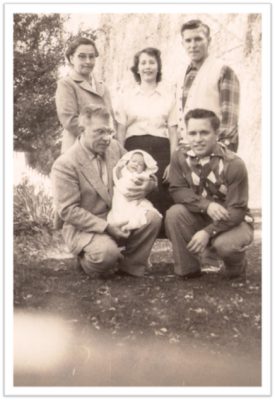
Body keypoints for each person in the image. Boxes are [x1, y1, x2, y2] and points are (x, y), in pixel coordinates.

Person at [51, 105, 162, 278]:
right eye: (100, 132)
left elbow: (143, 167)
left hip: (118, 216)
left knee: (152, 218)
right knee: (105, 256)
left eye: (110, 132)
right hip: (87, 227)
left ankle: (130, 265)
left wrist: (150, 184)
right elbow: (68, 211)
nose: (107, 138)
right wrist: (107, 228)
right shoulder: (65, 164)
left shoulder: (115, 148)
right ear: (82, 130)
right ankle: (88, 259)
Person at [165, 108, 253, 280]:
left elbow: (237, 211)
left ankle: (237, 265)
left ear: (216, 133)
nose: (197, 140)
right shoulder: (179, 157)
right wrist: (207, 205)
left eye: (204, 133)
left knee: (225, 246)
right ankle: (188, 269)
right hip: (202, 214)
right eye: (192, 133)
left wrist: (207, 232)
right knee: (174, 214)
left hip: (233, 221)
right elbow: (177, 190)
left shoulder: (233, 163)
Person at [116, 47, 178, 235]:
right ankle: (137, 249)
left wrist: (173, 162)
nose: (147, 67)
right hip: (134, 153)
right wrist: (122, 161)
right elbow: (120, 131)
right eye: (143, 63)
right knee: (134, 199)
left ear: (158, 67)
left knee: (161, 197)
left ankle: (161, 238)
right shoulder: (126, 97)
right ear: (137, 68)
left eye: (152, 62)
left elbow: (173, 131)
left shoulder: (169, 97)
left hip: (161, 153)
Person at [175, 20, 240, 152]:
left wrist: (218, 152)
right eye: (188, 40)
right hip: (187, 151)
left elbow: (229, 121)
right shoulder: (181, 75)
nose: (193, 45)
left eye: (198, 39)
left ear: (209, 41)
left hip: (216, 150)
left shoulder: (222, 70)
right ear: (182, 44)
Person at [56, 36, 115, 153]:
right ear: (72, 59)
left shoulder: (103, 87)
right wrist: (99, 137)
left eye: (91, 57)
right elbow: (70, 120)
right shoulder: (67, 84)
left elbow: (110, 119)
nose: (88, 61)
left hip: (104, 149)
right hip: (77, 149)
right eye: (82, 56)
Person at [107, 150, 162, 231]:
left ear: (144, 169)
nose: (136, 164)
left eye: (140, 164)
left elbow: (150, 179)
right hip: (120, 196)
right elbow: (116, 173)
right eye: (133, 161)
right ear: (127, 161)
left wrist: (150, 182)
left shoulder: (142, 175)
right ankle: (123, 224)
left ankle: (130, 225)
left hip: (135, 199)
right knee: (119, 211)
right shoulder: (123, 171)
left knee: (139, 212)